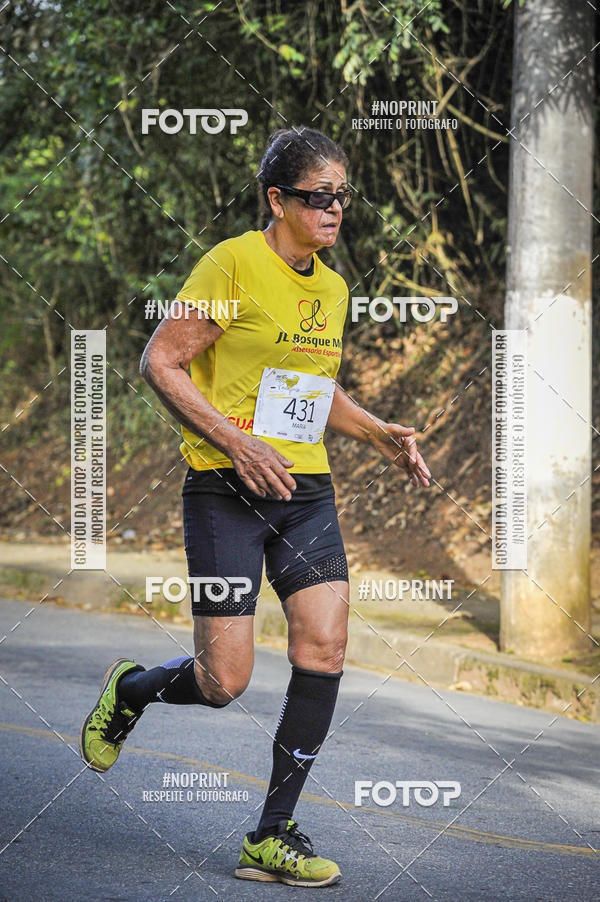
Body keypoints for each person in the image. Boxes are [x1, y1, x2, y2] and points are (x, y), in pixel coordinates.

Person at [80, 126, 430, 888]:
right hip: (225, 491)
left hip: (305, 492)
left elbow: (312, 388)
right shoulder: (233, 263)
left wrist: (378, 434)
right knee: (222, 681)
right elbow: (160, 362)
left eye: (343, 197)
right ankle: (132, 688)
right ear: (279, 200)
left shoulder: (332, 287)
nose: (335, 210)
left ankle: (272, 834)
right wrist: (235, 444)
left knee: (325, 648)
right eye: (319, 197)